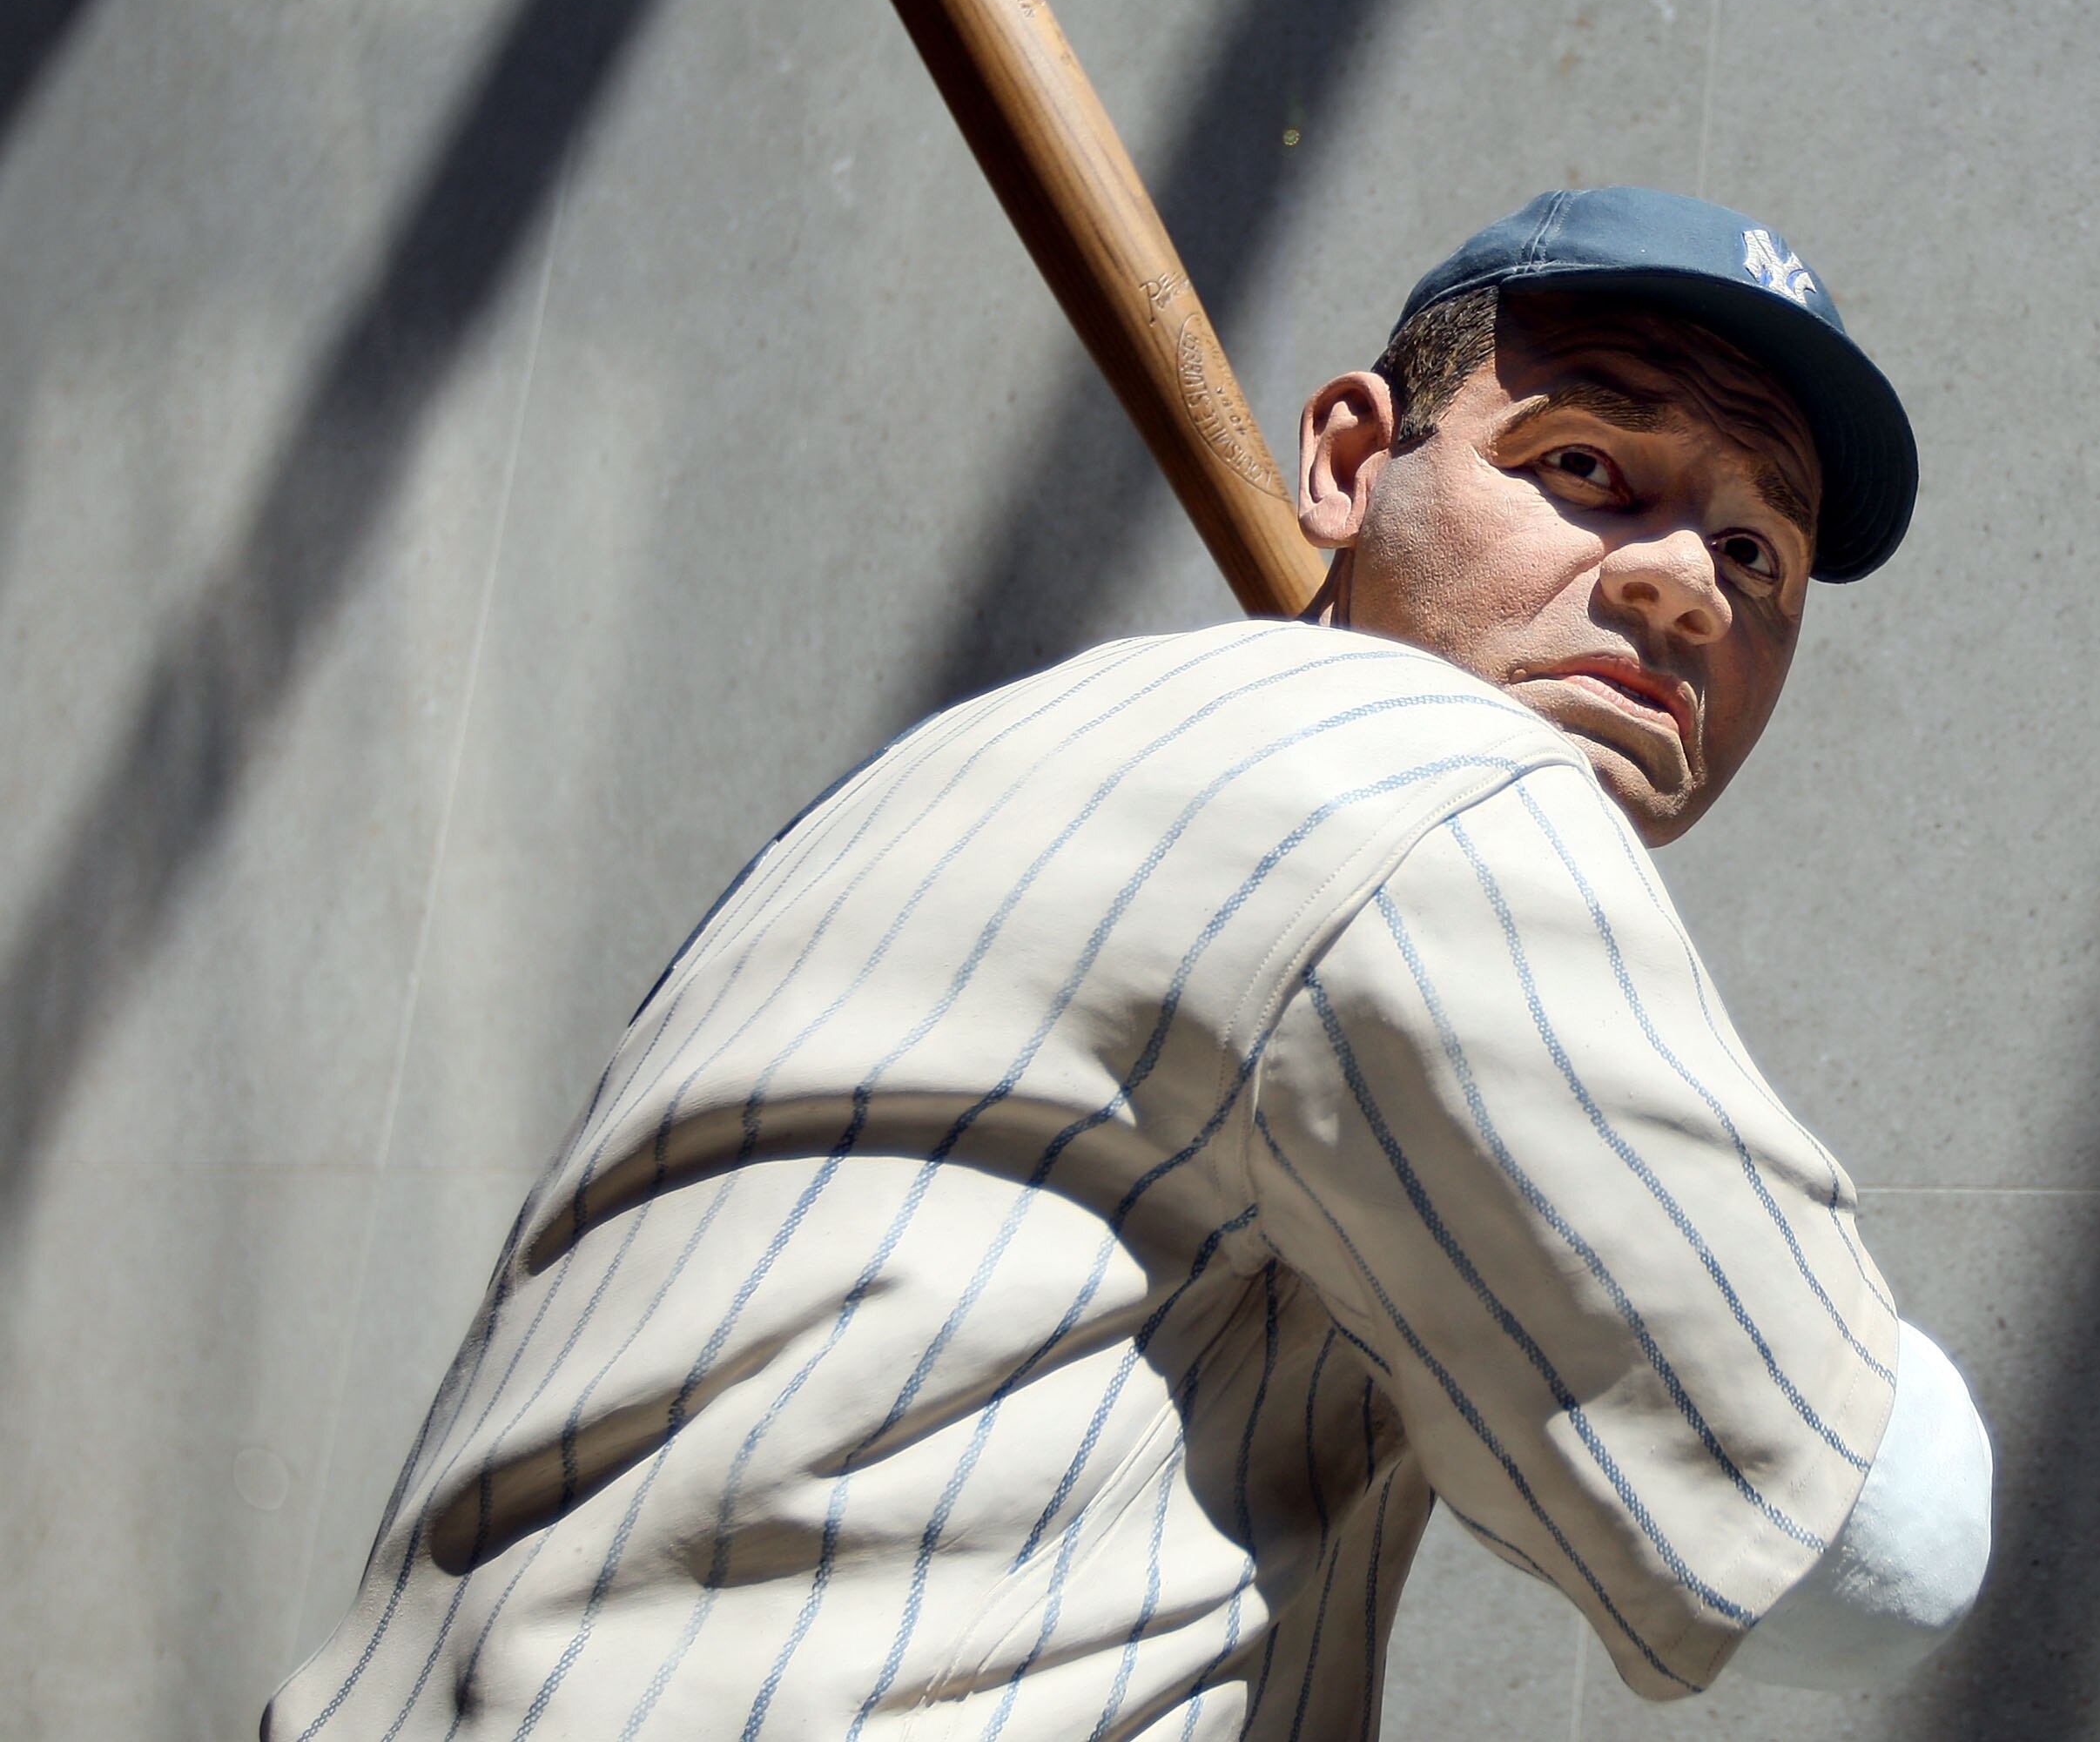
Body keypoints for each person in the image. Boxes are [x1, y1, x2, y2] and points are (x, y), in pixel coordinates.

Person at [264, 187, 1991, 1742]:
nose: (1689, 583)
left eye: (1757, 553)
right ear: (1344, 460)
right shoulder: (1425, 775)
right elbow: (1872, 1555)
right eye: (1587, 468)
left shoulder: (971, 764)